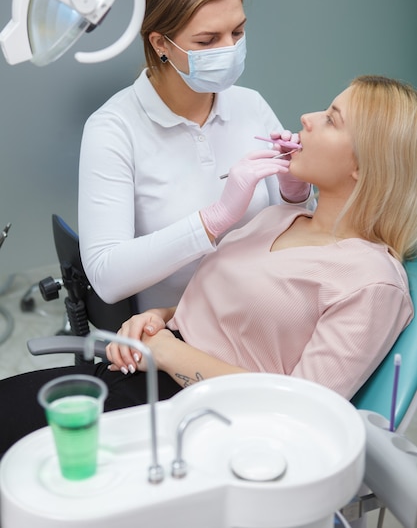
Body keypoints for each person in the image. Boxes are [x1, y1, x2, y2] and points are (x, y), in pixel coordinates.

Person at [0, 74, 415, 456]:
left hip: (200, 426)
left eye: (331, 120)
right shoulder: (281, 217)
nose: (306, 118)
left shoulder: (371, 282)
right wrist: (159, 319)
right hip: (145, 374)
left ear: (364, 165)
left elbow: (297, 411)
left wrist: (167, 352)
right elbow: (230, 309)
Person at [78, 0, 311, 313]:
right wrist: (213, 219)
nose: (230, 49)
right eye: (207, 41)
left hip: (262, 313)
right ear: (160, 43)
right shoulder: (113, 130)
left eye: (238, 32)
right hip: (177, 329)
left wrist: (295, 195)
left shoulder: (250, 104)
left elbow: (291, 231)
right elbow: (107, 277)